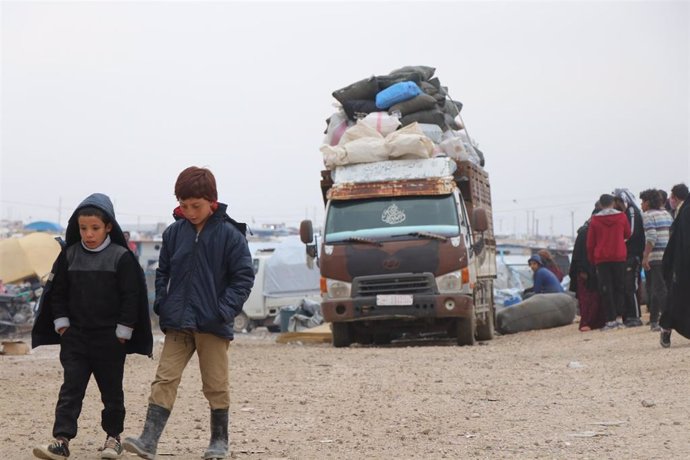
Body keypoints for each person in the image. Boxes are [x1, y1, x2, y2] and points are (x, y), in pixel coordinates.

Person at [123, 166, 255, 460]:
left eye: (195, 206)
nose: (190, 212)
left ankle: (219, 442)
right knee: (164, 379)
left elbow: (243, 278)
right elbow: (163, 271)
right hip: (178, 323)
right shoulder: (173, 233)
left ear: (212, 201)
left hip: (213, 324)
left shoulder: (231, 235)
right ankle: (149, 440)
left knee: (215, 384)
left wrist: (222, 311)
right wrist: (162, 303)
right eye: (184, 206)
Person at [31, 193, 153, 460]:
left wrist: (123, 332)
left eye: (95, 228)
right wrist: (62, 326)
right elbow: (58, 293)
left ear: (109, 226)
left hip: (110, 340)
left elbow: (131, 298)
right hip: (75, 339)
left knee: (111, 392)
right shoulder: (69, 256)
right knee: (70, 390)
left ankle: (113, 439)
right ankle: (61, 441)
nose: (88, 234)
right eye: (83, 228)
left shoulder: (121, 258)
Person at [587, 193, 631, 331]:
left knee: (606, 288)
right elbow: (628, 234)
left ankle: (610, 319)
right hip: (619, 256)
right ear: (613, 203)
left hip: (602, 258)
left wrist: (592, 259)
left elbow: (590, 243)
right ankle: (619, 318)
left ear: (600, 204)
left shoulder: (594, 220)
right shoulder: (622, 217)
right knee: (620, 286)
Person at [659, 183, 690, 348]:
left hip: (682, 263)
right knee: (677, 299)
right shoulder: (685, 212)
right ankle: (666, 328)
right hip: (683, 265)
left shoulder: (684, 211)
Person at [639, 189, 672, 331]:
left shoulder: (647, 216)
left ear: (647, 202)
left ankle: (668, 320)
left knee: (658, 289)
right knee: (659, 288)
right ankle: (653, 321)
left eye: (642, 202)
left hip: (656, 257)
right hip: (667, 256)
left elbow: (651, 236)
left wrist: (646, 256)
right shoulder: (666, 214)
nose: (641, 205)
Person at [569, 204, 605, 331]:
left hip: (596, 270)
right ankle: (586, 322)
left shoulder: (596, 230)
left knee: (597, 297)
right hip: (585, 271)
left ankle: (597, 322)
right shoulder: (584, 232)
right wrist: (582, 270)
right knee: (587, 298)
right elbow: (578, 255)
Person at [612, 188, 645, 327]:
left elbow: (630, 232)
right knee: (627, 285)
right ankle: (630, 316)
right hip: (628, 254)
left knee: (631, 286)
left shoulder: (631, 211)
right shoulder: (626, 212)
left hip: (633, 254)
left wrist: (619, 242)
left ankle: (635, 316)